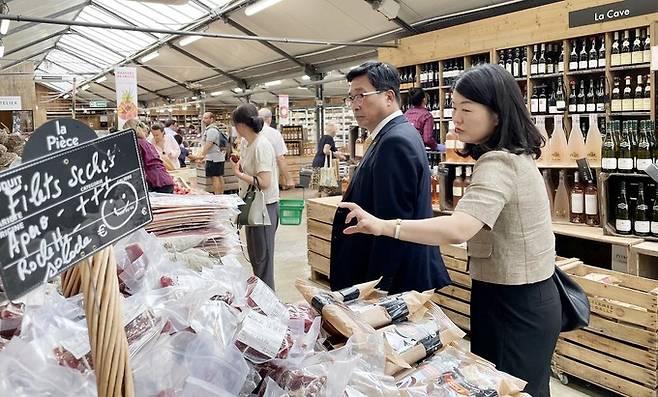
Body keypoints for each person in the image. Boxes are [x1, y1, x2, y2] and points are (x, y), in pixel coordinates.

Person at [336, 64, 558, 397]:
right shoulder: (514, 156)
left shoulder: (500, 162)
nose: (456, 118)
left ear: (497, 114)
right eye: (454, 107)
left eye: (466, 109)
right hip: (521, 294)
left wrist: (384, 226)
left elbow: (459, 228)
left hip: (515, 302)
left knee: (510, 387)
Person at [330, 61, 450, 294]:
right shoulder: (391, 135)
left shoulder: (395, 141)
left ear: (388, 96)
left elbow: (393, 222)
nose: (355, 105)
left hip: (396, 283)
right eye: (351, 98)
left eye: (361, 95)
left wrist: (379, 288)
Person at [229, 103, 280, 290]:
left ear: (241, 126)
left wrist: (239, 175)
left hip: (264, 208)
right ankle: (261, 301)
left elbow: (265, 182)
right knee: (256, 258)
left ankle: (269, 306)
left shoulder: (261, 145)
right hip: (253, 206)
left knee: (263, 261)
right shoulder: (247, 143)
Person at [124, 119, 174, 193]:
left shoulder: (136, 143)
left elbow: (135, 165)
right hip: (163, 180)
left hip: (157, 183)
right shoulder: (145, 142)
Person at [189, 112, 228, 194]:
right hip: (217, 157)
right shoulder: (214, 129)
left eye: (206, 118)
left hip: (213, 158)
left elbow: (208, 144)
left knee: (215, 177)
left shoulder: (211, 130)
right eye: (203, 118)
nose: (203, 120)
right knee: (219, 176)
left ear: (212, 119)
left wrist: (202, 156)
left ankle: (218, 195)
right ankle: (221, 195)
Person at [258, 108, 294, 189]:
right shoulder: (274, 134)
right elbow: (280, 158)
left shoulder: (252, 132)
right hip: (270, 175)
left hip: (253, 177)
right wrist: (288, 179)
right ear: (269, 119)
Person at [311, 122, 347, 195]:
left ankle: (318, 202)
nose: (336, 134)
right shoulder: (329, 138)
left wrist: (339, 153)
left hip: (317, 162)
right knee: (326, 187)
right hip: (323, 165)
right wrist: (338, 156)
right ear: (334, 131)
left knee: (319, 187)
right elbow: (326, 151)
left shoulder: (323, 137)